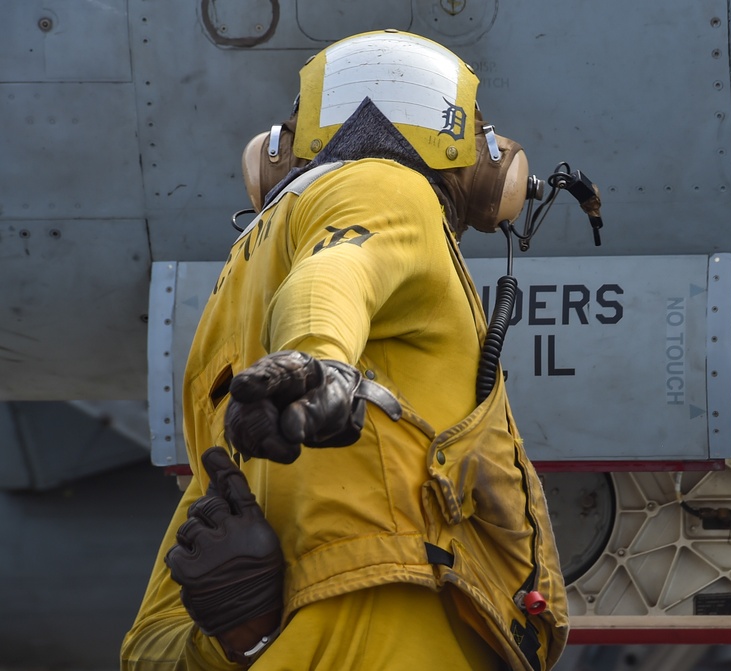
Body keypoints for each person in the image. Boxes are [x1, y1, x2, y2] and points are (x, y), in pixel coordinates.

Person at [121, 30, 567, 670]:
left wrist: (241, 635)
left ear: (275, 157)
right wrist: (318, 360)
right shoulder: (387, 184)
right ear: (485, 168)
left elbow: (148, 653)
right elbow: (336, 274)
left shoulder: (230, 304)